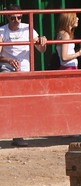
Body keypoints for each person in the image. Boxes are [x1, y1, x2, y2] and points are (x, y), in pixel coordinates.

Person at [0, 4, 47, 147]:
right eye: (13, 17)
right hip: (7, 69)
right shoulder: (2, 31)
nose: (16, 20)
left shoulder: (28, 28)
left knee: (22, 104)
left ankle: (18, 135)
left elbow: (41, 50)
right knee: (7, 103)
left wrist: (43, 41)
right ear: (7, 17)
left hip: (25, 71)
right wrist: (8, 60)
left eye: (19, 17)